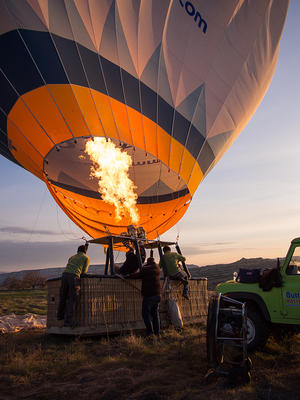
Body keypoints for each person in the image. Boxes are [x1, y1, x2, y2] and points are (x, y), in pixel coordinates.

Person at [119, 256, 161, 336]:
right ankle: (157, 333)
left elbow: (136, 276)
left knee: (146, 314)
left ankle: (150, 333)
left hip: (148, 295)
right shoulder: (157, 268)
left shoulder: (145, 269)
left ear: (147, 263)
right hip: (157, 295)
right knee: (155, 315)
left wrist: (125, 276)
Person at [57, 244, 90, 327]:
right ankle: (68, 321)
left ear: (77, 251)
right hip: (74, 277)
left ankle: (60, 317)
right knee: (72, 298)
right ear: (85, 251)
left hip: (64, 276)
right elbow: (84, 272)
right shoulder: (86, 258)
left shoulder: (72, 257)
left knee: (63, 297)